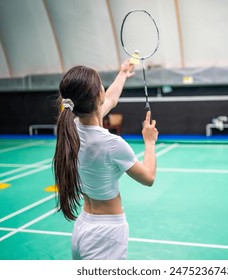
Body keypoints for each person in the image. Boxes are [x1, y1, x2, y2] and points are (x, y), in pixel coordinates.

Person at [52, 60, 158, 260]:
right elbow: (149, 177)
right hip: (106, 234)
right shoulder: (112, 144)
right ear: (97, 96)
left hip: (83, 226)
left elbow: (111, 98)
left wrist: (123, 73)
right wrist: (150, 142)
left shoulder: (70, 127)